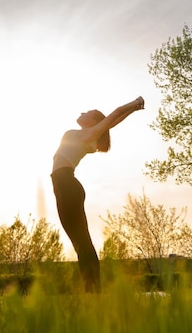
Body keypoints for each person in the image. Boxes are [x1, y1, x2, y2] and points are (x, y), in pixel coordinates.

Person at [51, 96, 145, 293]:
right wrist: (133, 110)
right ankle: (92, 290)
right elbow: (112, 122)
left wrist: (134, 104)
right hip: (65, 186)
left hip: (66, 184)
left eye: (87, 112)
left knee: (81, 242)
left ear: (92, 122)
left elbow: (115, 113)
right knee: (80, 242)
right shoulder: (88, 136)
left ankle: (93, 290)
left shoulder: (87, 135)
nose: (82, 113)